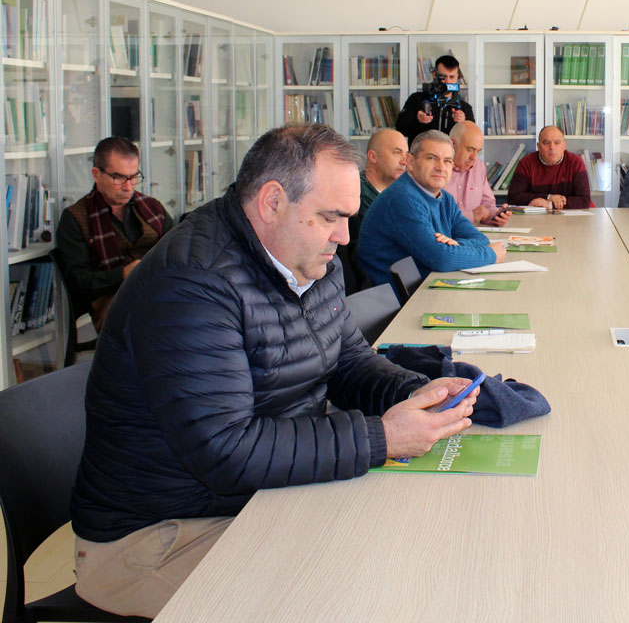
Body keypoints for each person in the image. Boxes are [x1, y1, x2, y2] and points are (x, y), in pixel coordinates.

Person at [70, 124, 480, 618]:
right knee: (349, 598)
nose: (344, 237)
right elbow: (226, 449)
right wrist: (382, 437)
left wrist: (417, 392)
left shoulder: (309, 255)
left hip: (253, 498)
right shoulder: (191, 284)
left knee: (406, 548)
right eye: (330, 217)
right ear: (271, 202)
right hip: (155, 537)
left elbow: (347, 361)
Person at [357, 130, 506, 288]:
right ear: (410, 162)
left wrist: (454, 246)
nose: (441, 167)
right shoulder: (402, 198)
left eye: (447, 161)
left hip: (426, 287)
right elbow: (442, 259)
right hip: (399, 299)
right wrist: (491, 254)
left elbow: (480, 239)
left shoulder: (445, 199)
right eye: (431, 158)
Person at [55, 136, 173, 331]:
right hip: (112, 300)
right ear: (96, 174)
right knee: (162, 318)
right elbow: (78, 282)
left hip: (159, 288)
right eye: (118, 178)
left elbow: (177, 250)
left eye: (133, 177)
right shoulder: (75, 218)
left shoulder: (153, 208)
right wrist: (123, 274)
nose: (128, 187)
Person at [506, 125, 592, 210]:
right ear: (538, 146)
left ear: (564, 145)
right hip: (536, 216)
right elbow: (513, 198)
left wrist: (549, 204)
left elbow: (584, 200)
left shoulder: (575, 162)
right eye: (546, 143)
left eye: (557, 142)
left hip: (570, 217)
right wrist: (548, 197)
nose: (552, 147)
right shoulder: (526, 163)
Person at [348, 128, 409, 247]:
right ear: (373, 157)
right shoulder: (356, 193)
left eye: (406, 154)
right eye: (397, 152)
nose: (404, 162)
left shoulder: (403, 191)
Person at [394, 54, 475, 141]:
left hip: (449, 150)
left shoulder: (464, 108)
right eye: (443, 77)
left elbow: (471, 139)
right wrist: (417, 119)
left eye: (452, 77)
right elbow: (400, 129)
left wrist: (463, 124)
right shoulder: (416, 100)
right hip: (421, 149)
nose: (447, 81)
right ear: (434, 74)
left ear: (457, 76)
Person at [446, 121, 512, 227]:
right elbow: (433, 215)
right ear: (452, 143)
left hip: (472, 232)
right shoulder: (437, 169)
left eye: (478, 151)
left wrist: (496, 216)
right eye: (470, 149)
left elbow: (487, 203)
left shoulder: (479, 167)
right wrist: (470, 215)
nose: (474, 157)